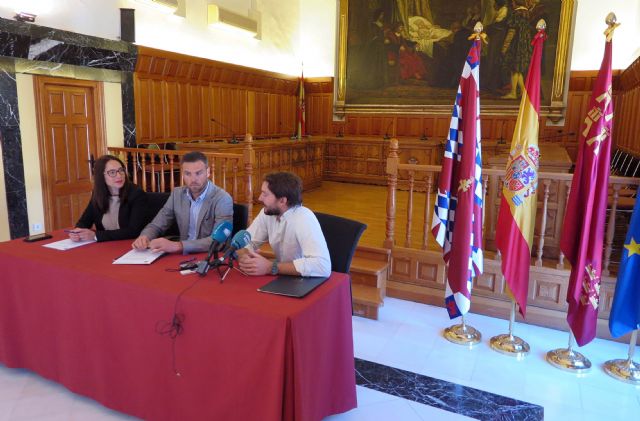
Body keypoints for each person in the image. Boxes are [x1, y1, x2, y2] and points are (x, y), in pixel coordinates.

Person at [132, 151, 233, 254]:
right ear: (182, 174)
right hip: (183, 254)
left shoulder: (222, 199)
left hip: (210, 255)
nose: (193, 179)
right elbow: (157, 225)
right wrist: (144, 237)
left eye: (198, 173)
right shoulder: (177, 194)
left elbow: (218, 241)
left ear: (208, 172)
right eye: (188, 174)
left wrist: (178, 246)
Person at [238, 172, 331, 277]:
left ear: (282, 201)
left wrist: (270, 267)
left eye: (265, 194)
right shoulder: (267, 213)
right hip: (282, 276)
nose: (260, 198)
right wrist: (245, 257)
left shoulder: (304, 218)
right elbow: (246, 242)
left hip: (305, 280)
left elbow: (322, 266)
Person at [69, 155, 149, 242]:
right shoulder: (98, 194)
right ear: (101, 176)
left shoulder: (136, 194)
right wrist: (77, 231)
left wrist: (96, 236)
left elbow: (134, 231)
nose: (119, 175)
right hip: (106, 245)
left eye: (121, 170)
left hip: (130, 244)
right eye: (112, 172)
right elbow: (84, 221)